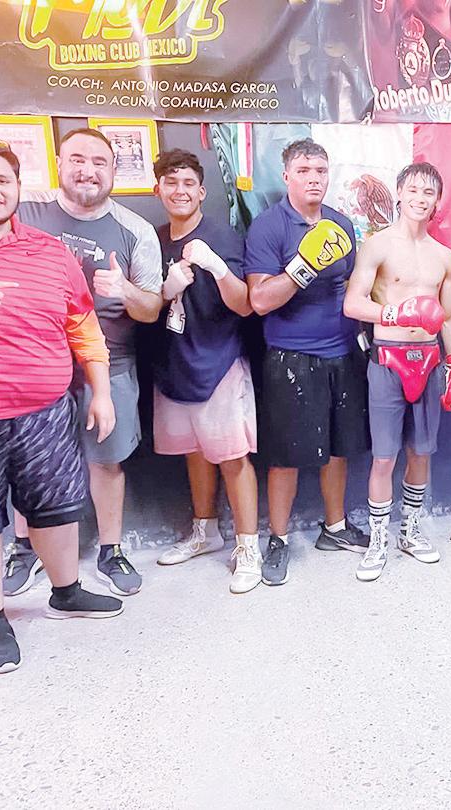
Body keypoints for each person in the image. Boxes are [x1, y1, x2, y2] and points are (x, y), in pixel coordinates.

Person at [0, 128, 163, 597]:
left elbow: (150, 309)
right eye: (77, 159)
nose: (87, 170)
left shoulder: (135, 229)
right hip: (8, 379)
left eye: (99, 162)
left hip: (105, 363)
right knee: (22, 474)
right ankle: (24, 551)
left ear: (114, 170)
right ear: (58, 164)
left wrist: (124, 291)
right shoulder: (24, 206)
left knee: (103, 464)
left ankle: (109, 551)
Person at [245, 138, 369, 587]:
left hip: (342, 351)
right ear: (287, 176)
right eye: (303, 171)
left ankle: (334, 528)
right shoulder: (268, 227)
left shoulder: (341, 223)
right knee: (286, 456)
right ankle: (278, 539)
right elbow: (259, 300)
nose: (313, 178)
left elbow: (353, 286)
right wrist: (303, 266)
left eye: (320, 170)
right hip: (291, 357)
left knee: (338, 448)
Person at [344, 162, 451, 582]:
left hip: (429, 359)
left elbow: (449, 315)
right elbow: (353, 304)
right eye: (412, 189)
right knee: (384, 456)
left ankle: (410, 531)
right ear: (399, 193)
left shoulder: (443, 256)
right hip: (388, 358)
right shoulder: (377, 246)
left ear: (437, 200)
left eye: (428, 192)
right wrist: (395, 313)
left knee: (421, 452)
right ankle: (378, 540)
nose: (419, 198)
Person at [147, 149, 261, 593]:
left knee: (232, 455)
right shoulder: (152, 239)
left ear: (201, 191)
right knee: (194, 450)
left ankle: (247, 548)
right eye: (171, 182)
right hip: (174, 363)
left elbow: (245, 304)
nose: (180, 191)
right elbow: (144, 305)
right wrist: (164, 290)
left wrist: (216, 267)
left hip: (218, 362)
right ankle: (205, 531)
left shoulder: (221, 236)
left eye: (188, 183)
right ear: (158, 189)